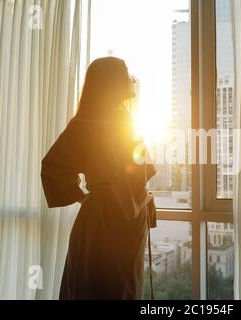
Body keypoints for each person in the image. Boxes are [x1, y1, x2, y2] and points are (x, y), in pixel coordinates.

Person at [41, 57, 156, 299]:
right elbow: (133, 181)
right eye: (125, 72)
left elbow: (53, 166)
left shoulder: (84, 122)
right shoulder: (123, 121)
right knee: (116, 288)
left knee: (89, 285)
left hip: (96, 217)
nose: (130, 78)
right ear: (112, 82)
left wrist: (85, 197)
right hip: (118, 221)